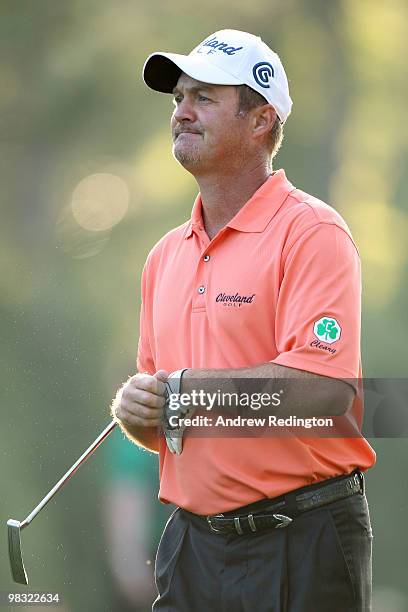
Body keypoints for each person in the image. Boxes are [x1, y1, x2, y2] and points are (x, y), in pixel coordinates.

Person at [113, 29, 376, 611]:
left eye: (203, 97)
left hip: (301, 540)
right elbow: (165, 424)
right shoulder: (164, 256)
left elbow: (323, 392)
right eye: (178, 98)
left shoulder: (311, 233)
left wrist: (182, 392)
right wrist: (140, 414)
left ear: (260, 121)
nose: (181, 111)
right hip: (191, 546)